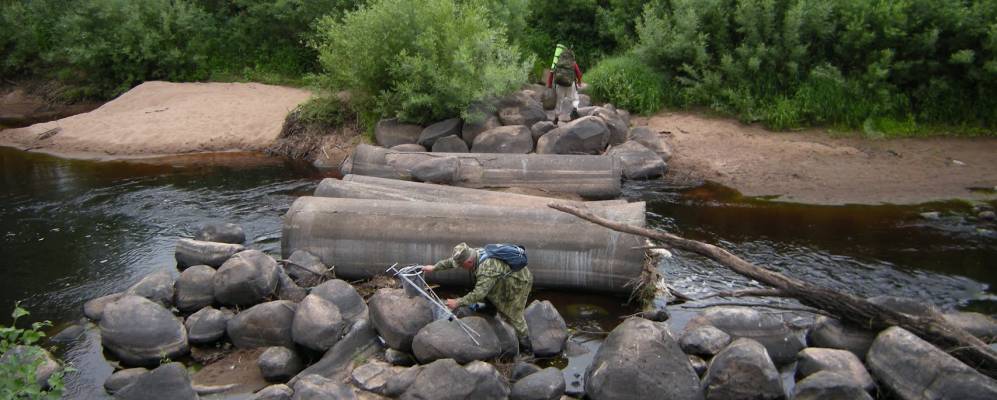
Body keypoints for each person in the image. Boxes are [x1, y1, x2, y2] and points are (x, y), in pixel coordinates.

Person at [422, 242, 534, 353]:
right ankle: (491, 309)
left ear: (469, 262)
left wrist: (458, 302)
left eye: (462, 265)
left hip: (519, 281)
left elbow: (479, 294)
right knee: (488, 289)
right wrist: (434, 268)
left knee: (514, 314)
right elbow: (453, 262)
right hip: (502, 276)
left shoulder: (486, 269)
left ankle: (527, 349)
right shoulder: (473, 253)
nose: (461, 267)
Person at [547, 43, 583, 125]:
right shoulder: (572, 62)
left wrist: (549, 85)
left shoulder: (557, 61)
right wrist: (579, 82)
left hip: (559, 85)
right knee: (574, 99)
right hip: (571, 84)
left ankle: (556, 119)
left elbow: (551, 73)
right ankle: (574, 111)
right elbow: (578, 73)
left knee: (559, 102)